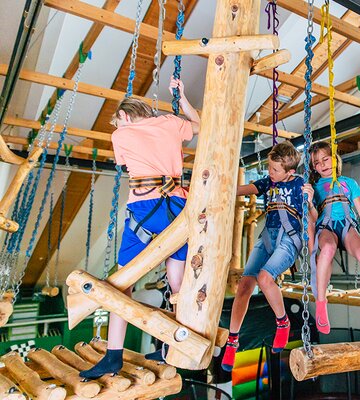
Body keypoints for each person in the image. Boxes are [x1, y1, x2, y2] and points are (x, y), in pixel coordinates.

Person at [80, 78, 199, 378]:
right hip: (176, 209)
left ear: (123, 116)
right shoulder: (172, 123)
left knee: (122, 285)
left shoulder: (121, 135)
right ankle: (174, 345)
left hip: (143, 211)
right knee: (178, 286)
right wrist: (182, 97)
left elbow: (127, 162)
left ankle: (113, 355)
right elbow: (198, 124)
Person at [221, 141, 308, 372]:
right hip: (267, 237)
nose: (270, 173)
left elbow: (313, 214)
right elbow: (245, 189)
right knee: (244, 287)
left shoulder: (300, 184)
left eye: (275, 170)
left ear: (290, 172)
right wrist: (221, 187)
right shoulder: (269, 182)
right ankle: (232, 340)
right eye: (269, 168)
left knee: (265, 278)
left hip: (289, 238)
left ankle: (283, 322)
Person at [306, 141, 360, 337]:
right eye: (317, 163)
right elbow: (311, 219)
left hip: (347, 225)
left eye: (325, 159)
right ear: (314, 168)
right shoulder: (314, 186)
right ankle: (321, 304)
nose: (322, 165)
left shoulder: (349, 183)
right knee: (327, 249)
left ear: (334, 159)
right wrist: (309, 201)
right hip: (325, 227)